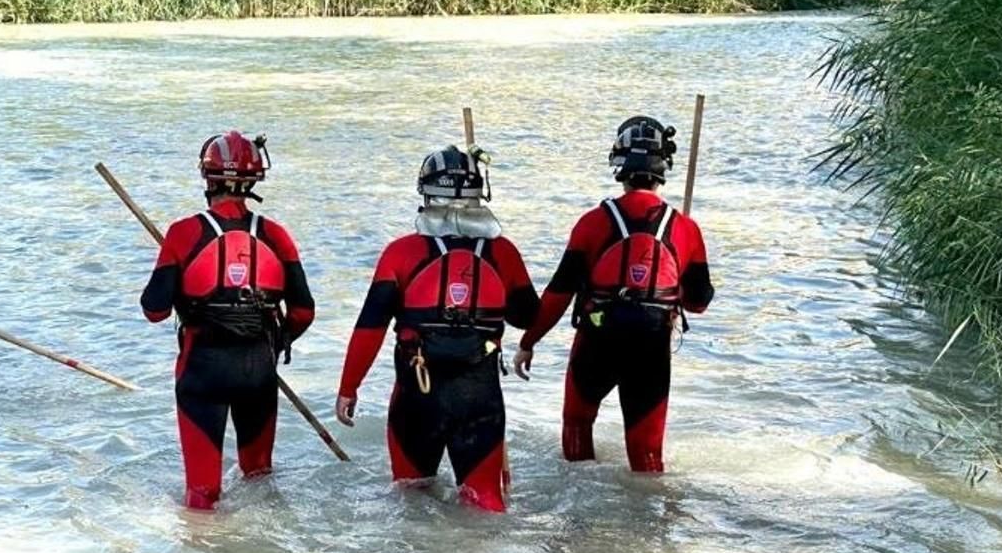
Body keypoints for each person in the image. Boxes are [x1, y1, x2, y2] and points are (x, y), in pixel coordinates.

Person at [334, 146, 539, 511]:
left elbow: (370, 327)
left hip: (417, 395)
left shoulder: (400, 253)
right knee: (485, 505)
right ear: (479, 194)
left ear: (426, 194)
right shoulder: (504, 253)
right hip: (480, 396)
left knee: (411, 503)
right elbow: (527, 317)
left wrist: (349, 388)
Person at [514, 116, 713, 472]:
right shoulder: (685, 228)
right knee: (647, 455)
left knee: (577, 427)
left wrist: (528, 342)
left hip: (597, 338)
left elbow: (559, 293)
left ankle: (577, 505)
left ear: (619, 166)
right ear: (664, 167)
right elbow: (698, 303)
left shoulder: (592, 222)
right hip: (652, 344)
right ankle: (648, 509)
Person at [140, 131, 315, 510]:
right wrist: (274, 342)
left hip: (202, 370)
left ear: (207, 177)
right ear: (254, 179)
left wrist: (184, 281)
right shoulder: (276, 235)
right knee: (259, 480)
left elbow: (154, 311)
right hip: (259, 369)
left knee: (202, 494)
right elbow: (304, 312)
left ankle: (203, 545)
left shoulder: (183, 233)